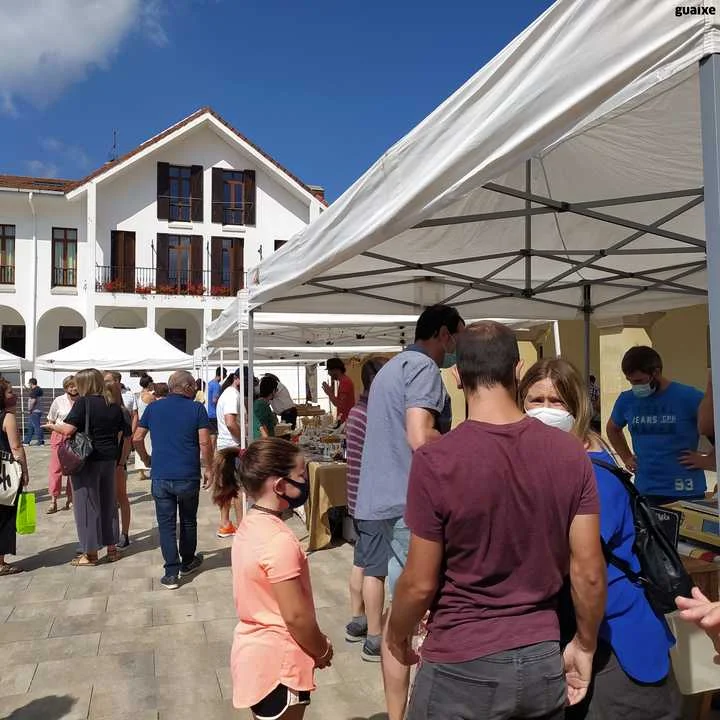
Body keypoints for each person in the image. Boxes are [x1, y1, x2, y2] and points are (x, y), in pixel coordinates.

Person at [386, 322, 606, 720]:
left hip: (460, 664)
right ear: (518, 370)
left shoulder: (436, 460)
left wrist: (395, 633)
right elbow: (588, 571)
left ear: (456, 375)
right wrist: (585, 644)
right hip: (541, 659)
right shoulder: (571, 453)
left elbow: (418, 583)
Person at [519, 358, 680, 720]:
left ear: (576, 408)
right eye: (535, 400)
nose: (545, 410)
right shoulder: (554, 463)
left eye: (557, 401)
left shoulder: (593, 474)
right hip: (579, 640)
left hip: (617, 651)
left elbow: (577, 565)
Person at [354, 303, 464, 712]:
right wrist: (466, 445)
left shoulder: (391, 367)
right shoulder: (423, 368)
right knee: (416, 617)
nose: (459, 347)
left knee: (398, 614)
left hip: (380, 499)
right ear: (443, 335)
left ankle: (399, 711)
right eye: (458, 337)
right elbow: (420, 436)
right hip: (408, 503)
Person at [212, 437, 333, 719]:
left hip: (255, 656)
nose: (306, 482)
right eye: (301, 476)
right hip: (280, 664)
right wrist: (321, 649)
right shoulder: (279, 541)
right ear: (279, 485)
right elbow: (296, 617)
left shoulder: (249, 524)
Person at [133, 370, 211, 589]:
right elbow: (205, 442)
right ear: (186, 387)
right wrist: (210, 468)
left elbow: (137, 438)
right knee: (188, 520)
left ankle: (171, 572)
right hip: (187, 474)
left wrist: (146, 458)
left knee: (166, 525)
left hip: (161, 474)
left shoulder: (153, 408)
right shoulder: (197, 409)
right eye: (194, 386)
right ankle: (188, 561)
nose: (196, 389)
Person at [607, 346, 706, 505]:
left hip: (686, 490)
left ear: (656, 372)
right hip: (646, 489)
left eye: (639, 381)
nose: (635, 386)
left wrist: (708, 460)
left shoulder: (689, 397)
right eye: (630, 381)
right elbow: (613, 429)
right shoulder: (627, 400)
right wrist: (626, 457)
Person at [52, 368, 128, 566]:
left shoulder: (83, 403)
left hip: (87, 459)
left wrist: (52, 426)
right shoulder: (112, 403)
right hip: (109, 458)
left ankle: (90, 553)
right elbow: (122, 432)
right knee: (109, 503)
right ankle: (112, 549)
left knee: (86, 505)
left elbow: (68, 429)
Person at [344, 357, 387, 661]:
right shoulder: (374, 413)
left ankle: (357, 620)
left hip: (358, 499)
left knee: (361, 561)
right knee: (375, 570)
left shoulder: (357, 411)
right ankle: (374, 637)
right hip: (373, 500)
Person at [0, 380, 30, 575]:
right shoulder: (7, 417)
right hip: (5, 473)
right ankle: (0, 563)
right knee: (4, 515)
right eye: (10, 392)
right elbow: (16, 447)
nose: (15, 395)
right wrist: (24, 471)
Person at [104, 372, 133, 549]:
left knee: (121, 496)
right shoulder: (104, 409)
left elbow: (127, 440)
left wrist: (121, 462)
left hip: (117, 461)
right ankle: (111, 534)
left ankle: (125, 533)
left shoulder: (122, 412)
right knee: (110, 499)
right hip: (107, 460)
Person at [216, 369, 244, 538]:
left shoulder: (227, 393)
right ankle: (241, 526)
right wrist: (243, 441)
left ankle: (225, 524)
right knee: (238, 489)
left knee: (226, 487)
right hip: (232, 446)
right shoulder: (232, 395)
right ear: (236, 378)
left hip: (225, 446)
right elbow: (230, 422)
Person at [44, 375, 77, 514]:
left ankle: (71, 498)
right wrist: (54, 430)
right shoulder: (58, 401)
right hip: (59, 436)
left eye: (76, 385)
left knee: (72, 468)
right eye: (71, 386)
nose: (74, 388)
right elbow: (50, 419)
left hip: (75, 437)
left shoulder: (82, 400)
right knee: (56, 468)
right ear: (66, 387)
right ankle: (53, 500)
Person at [134, 374, 155, 480]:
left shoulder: (138, 395)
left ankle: (141, 472)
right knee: (150, 446)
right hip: (149, 424)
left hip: (140, 422)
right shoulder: (150, 397)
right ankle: (151, 467)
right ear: (149, 383)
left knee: (140, 445)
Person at [322, 358, 355, 423]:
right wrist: (330, 393)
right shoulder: (343, 381)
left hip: (345, 420)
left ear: (336, 369)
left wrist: (329, 393)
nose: (328, 373)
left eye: (329, 370)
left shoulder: (345, 382)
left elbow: (340, 404)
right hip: (344, 420)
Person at [207, 367, 226, 451]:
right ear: (222, 375)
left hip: (208, 412)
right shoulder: (216, 385)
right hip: (214, 414)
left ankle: (210, 452)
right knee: (213, 435)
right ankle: (212, 453)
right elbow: (214, 400)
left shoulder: (209, 383)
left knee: (211, 434)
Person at [23, 377, 44, 446]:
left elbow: (33, 400)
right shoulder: (38, 390)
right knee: (30, 427)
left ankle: (41, 442)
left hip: (34, 411)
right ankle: (26, 442)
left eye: (29, 384)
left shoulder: (35, 391)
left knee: (37, 427)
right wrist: (27, 390)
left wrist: (30, 409)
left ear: (31, 383)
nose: (29, 385)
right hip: (38, 411)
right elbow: (32, 395)